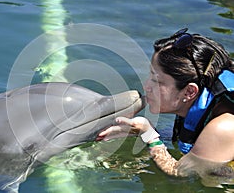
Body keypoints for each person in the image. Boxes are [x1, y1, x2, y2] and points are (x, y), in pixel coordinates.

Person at [97, 28, 234, 183]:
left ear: (189, 91)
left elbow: (180, 173)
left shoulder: (224, 127)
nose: (146, 86)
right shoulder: (199, 104)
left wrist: (149, 135)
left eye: (156, 81)